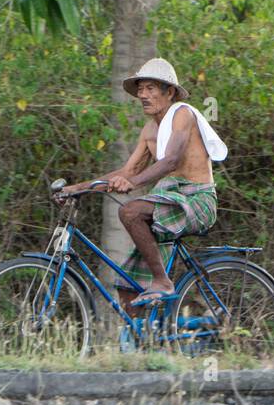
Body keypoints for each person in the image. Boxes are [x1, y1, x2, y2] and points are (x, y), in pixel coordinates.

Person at [58, 58, 227, 309]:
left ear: (169, 92)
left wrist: (133, 183)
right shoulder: (149, 130)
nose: (143, 95)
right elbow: (127, 171)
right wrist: (77, 188)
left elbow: (170, 161)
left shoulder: (182, 114)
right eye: (140, 90)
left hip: (196, 201)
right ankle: (144, 342)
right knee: (128, 288)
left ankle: (163, 281)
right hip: (169, 202)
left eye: (150, 88)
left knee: (130, 211)